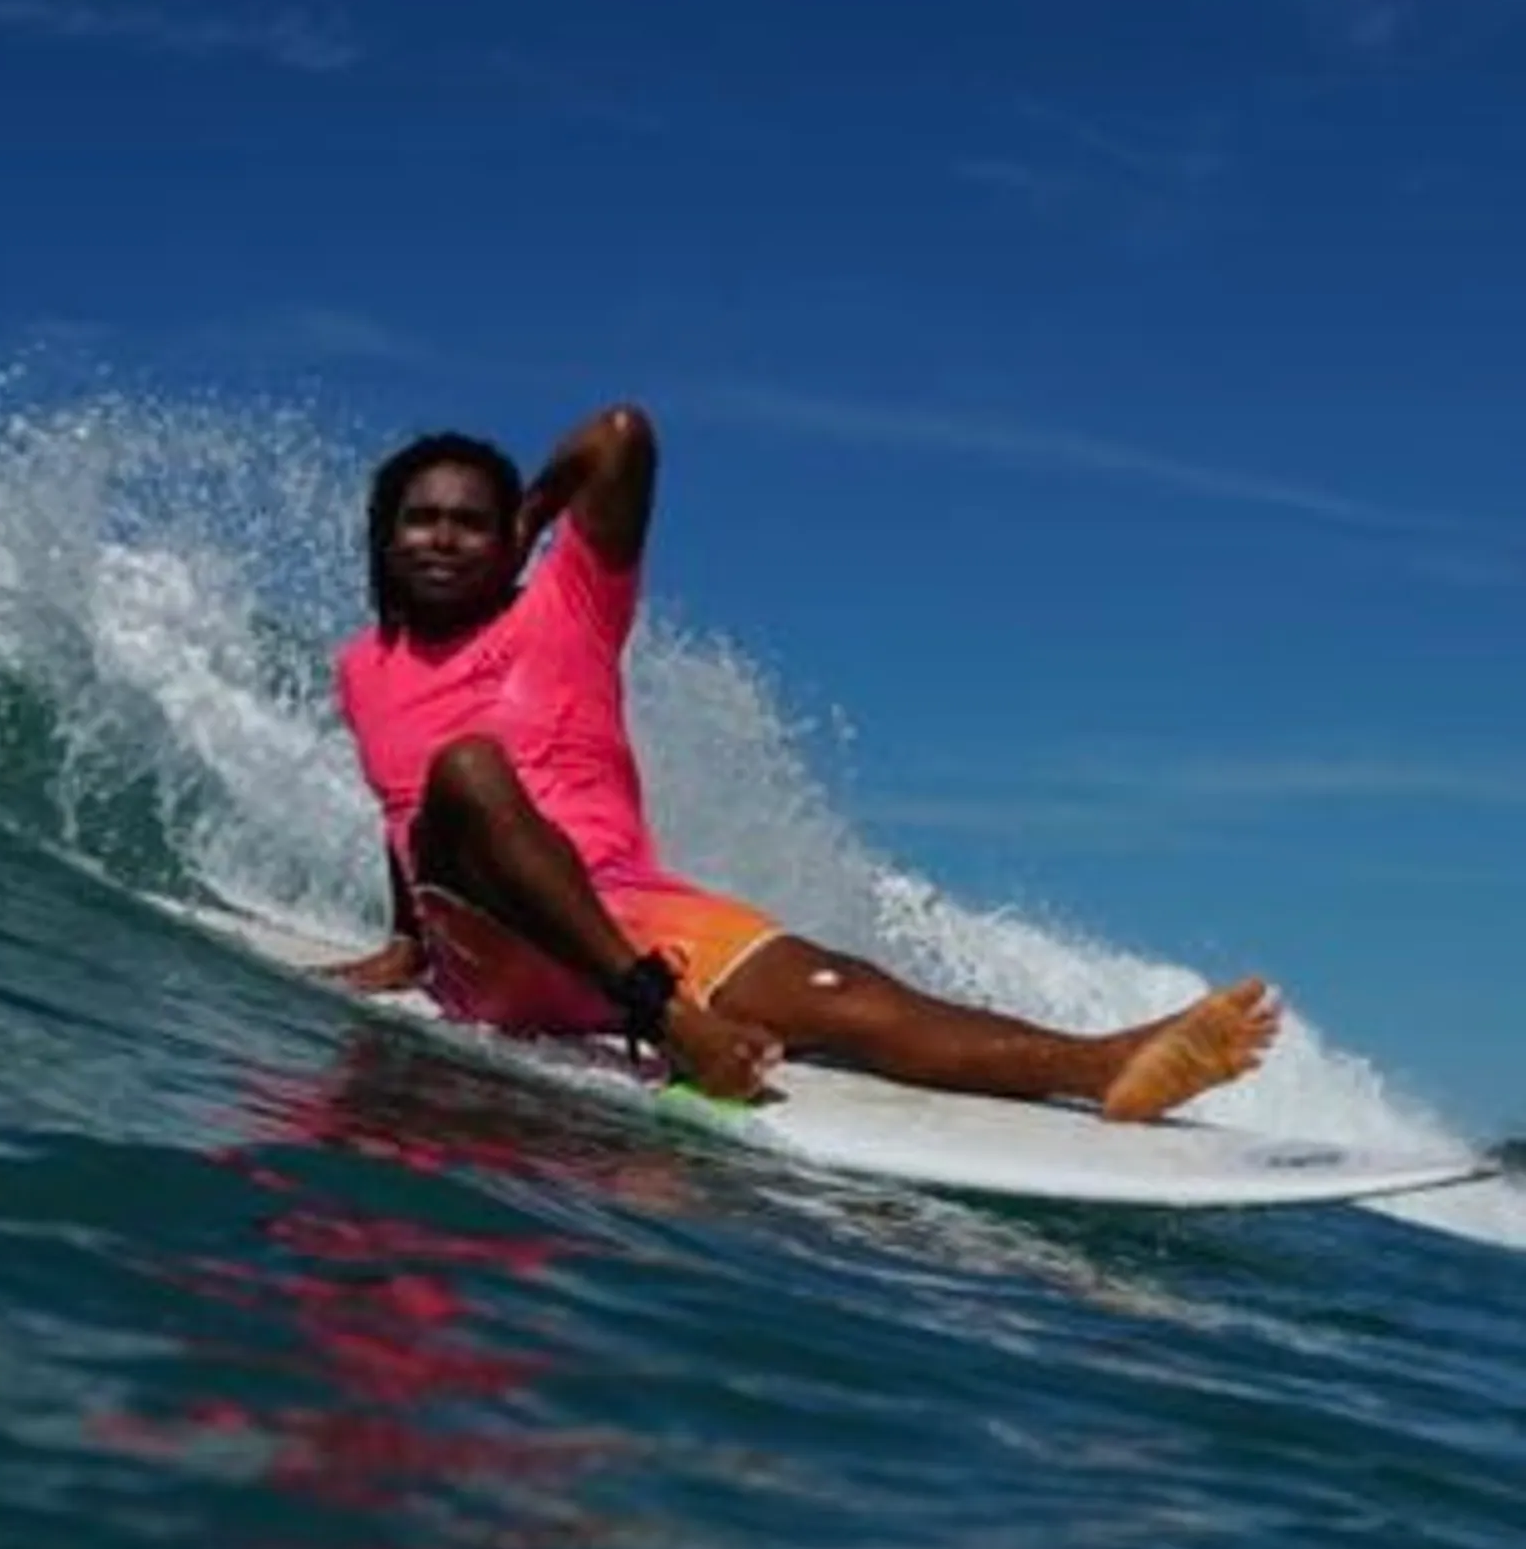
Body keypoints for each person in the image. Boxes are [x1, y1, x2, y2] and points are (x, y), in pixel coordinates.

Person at [327, 403, 1280, 1113]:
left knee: (846, 993)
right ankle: (673, 1024)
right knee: (469, 771)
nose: (444, 538)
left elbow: (620, 435)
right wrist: (411, 940)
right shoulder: (365, 670)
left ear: (506, 541)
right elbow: (406, 809)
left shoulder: (567, 605)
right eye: (421, 519)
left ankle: (1100, 1066)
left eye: (470, 521)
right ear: (385, 534)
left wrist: (534, 515)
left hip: (630, 911)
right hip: (494, 953)